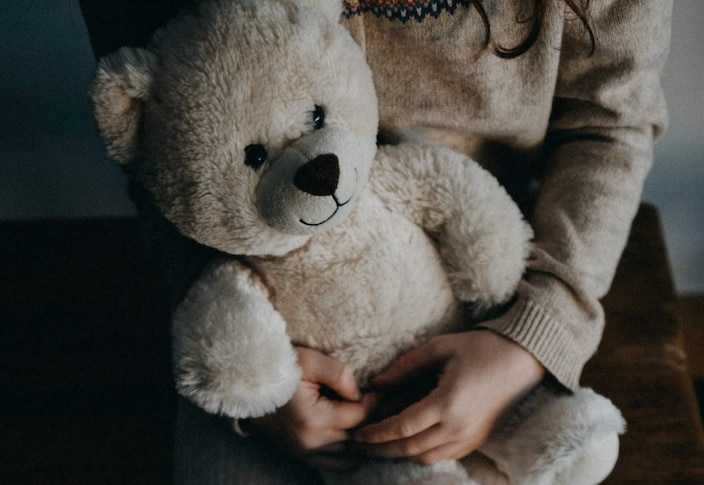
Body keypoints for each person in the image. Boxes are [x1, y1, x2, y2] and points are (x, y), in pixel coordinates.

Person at [82, 0, 671, 482]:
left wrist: (534, 336)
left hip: (499, 304)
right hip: (271, 310)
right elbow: (160, 160)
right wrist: (258, 386)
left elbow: (608, 124)